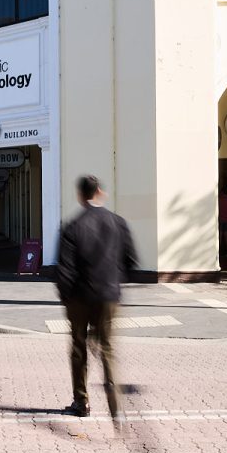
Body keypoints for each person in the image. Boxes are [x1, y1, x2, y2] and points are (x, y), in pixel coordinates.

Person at [56, 174, 137, 425]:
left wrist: (67, 298)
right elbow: (131, 261)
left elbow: (64, 270)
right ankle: (116, 408)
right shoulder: (118, 223)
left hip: (79, 297)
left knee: (79, 349)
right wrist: (113, 283)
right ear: (99, 192)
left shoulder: (72, 226)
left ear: (80, 196)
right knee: (107, 350)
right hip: (108, 296)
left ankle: (82, 402)